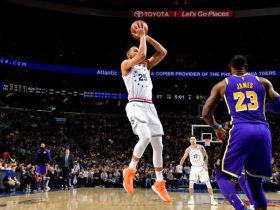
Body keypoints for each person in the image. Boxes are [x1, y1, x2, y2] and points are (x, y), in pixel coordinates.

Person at [202, 55, 280, 210]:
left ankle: (240, 207)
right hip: (263, 131)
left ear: (229, 68)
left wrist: (217, 127)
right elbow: (278, 107)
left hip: (240, 129)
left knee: (221, 175)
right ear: (247, 67)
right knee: (255, 184)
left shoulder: (222, 85)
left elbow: (205, 114)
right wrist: (267, 107)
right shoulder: (263, 82)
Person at [121, 21, 171, 202]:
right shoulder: (126, 64)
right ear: (129, 54)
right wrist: (141, 37)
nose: (138, 51)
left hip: (150, 106)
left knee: (159, 145)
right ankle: (130, 169)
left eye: (137, 49)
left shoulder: (146, 66)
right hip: (135, 105)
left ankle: (159, 182)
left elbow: (163, 52)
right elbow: (142, 53)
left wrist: (146, 36)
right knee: (145, 137)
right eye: (134, 50)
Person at [177, 135, 218, 205]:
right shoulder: (188, 149)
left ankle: (212, 200)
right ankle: (192, 200)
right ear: (189, 141)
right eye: (191, 139)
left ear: (196, 140)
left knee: (208, 184)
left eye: (194, 139)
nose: (192, 141)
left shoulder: (201, 147)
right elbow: (183, 158)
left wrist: (205, 165)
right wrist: (180, 165)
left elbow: (206, 156)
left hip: (202, 167)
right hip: (194, 168)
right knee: (191, 185)